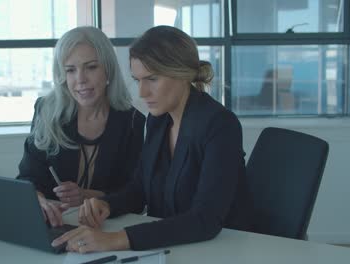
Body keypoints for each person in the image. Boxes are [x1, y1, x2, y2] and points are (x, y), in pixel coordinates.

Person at [52, 25, 251, 252]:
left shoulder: (220, 125)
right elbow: (140, 189)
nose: (142, 93)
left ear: (182, 73)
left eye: (152, 79)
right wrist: (106, 204)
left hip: (223, 250)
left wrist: (115, 239)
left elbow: (205, 219)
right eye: (138, 80)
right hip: (174, 247)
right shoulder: (158, 120)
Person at [17, 26, 145, 227]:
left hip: (108, 228)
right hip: (54, 225)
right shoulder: (46, 111)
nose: (80, 79)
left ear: (108, 69)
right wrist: (37, 201)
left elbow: (136, 194)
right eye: (70, 70)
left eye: (91, 67)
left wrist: (87, 196)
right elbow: (27, 177)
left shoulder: (132, 121)